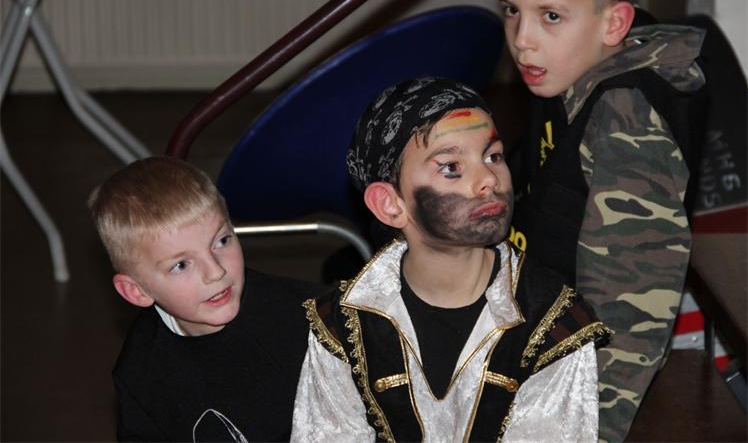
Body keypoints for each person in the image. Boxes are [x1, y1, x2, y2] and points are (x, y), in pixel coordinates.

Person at [291, 76, 611, 442]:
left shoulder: (552, 322)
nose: (488, 179)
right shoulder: (343, 325)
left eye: (493, 156)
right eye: (451, 167)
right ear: (390, 204)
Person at [494, 0, 707, 441]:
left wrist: (586, 432)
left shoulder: (626, 130)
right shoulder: (569, 65)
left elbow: (629, 320)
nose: (522, 40)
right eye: (511, 10)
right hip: (536, 320)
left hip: (574, 374)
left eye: (550, 16)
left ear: (615, 24)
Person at [88, 156, 323, 442]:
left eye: (221, 241)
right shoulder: (141, 371)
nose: (216, 271)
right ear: (137, 291)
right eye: (181, 265)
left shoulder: (308, 317)